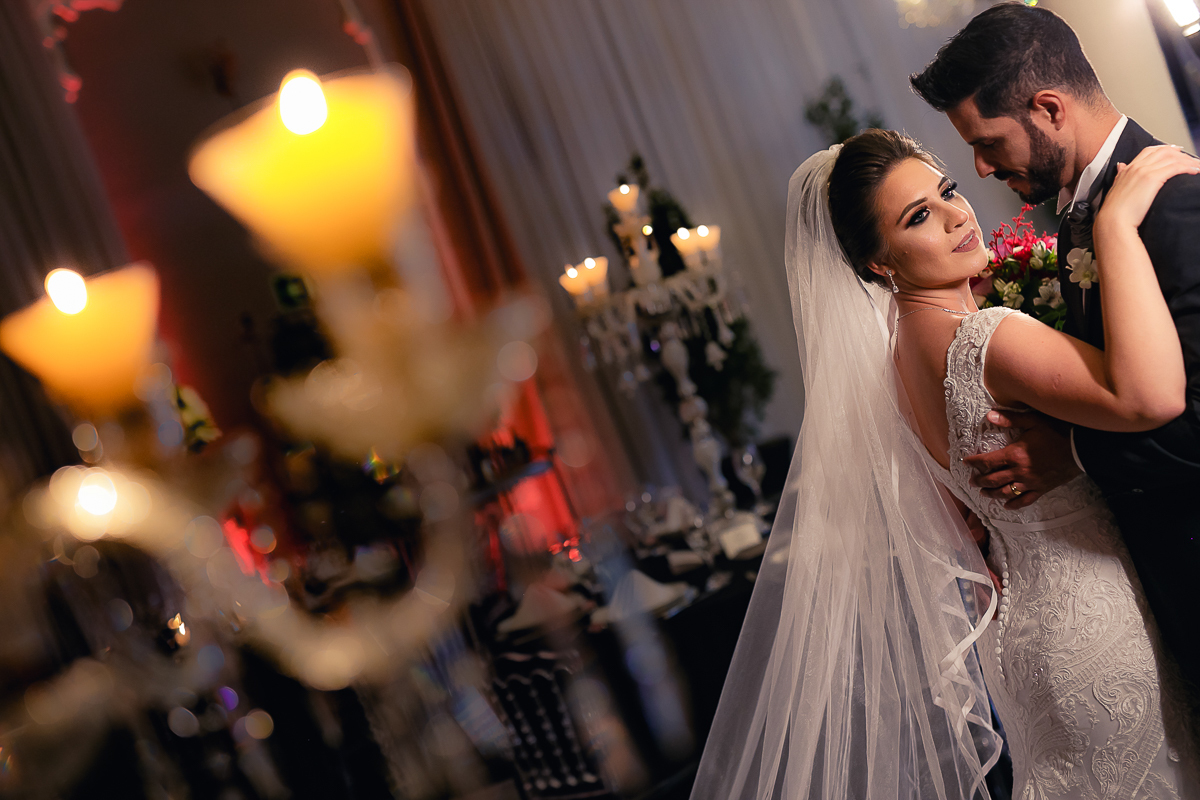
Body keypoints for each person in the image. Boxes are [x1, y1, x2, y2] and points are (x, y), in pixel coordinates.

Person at [689, 131, 1197, 799]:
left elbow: (956, 520)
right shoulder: (986, 337)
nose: (959, 216)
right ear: (879, 262)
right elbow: (1148, 397)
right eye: (920, 216)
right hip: (1097, 629)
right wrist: (1117, 225)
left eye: (948, 191)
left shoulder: (892, 368)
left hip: (1019, 640)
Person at [910, 3, 1200, 726]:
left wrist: (1072, 452)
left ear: (1047, 109)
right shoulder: (1081, 214)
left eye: (988, 142)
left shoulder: (1177, 206)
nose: (980, 168)